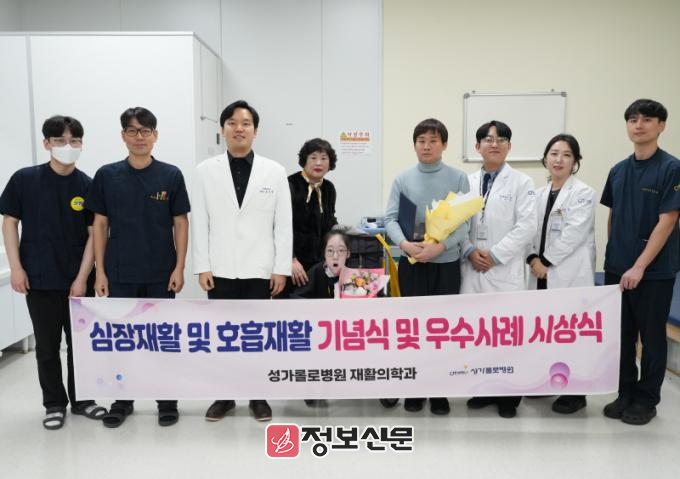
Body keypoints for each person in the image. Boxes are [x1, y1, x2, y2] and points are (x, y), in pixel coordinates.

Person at [86, 107, 190, 428]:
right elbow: (99, 225)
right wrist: (100, 271)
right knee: (123, 341)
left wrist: (179, 267)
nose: (139, 137)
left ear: (155, 135)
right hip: (120, 272)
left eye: (145, 131)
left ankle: (166, 400)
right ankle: (123, 400)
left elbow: (180, 223)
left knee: (161, 339)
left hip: (161, 272)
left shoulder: (170, 175)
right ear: (123, 136)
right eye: (132, 131)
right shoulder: (107, 175)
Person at [0, 115, 106, 429]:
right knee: (47, 347)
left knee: (80, 346)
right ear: (47, 144)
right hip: (39, 277)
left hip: (78, 280)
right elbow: (9, 223)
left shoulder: (88, 185)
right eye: (60, 140)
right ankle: (54, 404)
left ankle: (83, 400)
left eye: (74, 140)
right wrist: (16, 268)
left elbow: (94, 235)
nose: (67, 146)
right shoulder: (25, 180)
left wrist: (82, 278)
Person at [192, 100, 292, 423]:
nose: (239, 128)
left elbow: (283, 225)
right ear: (222, 129)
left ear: (255, 131)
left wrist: (280, 269)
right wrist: (202, 266)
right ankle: (224, 395)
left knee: (256, 336)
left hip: (260, 269)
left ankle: (258, 395)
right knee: (223, 336)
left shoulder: (274, 171)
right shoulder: (205, 171)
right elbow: (200, 222)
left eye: (246, 123)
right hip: (220, 268)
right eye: (232, 123)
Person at [601, 99, 680, 425]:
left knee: (651, 337)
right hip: (617, 268)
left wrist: (639, 266)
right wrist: (616, 260)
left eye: (647, 119)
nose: (639, 125)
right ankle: (625, 392)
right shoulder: (618, 171)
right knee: (620, 336)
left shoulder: (671, 168)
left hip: (654, 272)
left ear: (661, 126)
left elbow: (668, 221)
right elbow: (614, 216)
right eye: (633, 119)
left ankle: (646, 399)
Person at [384, 118, 470, 416]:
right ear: (414, 145)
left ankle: (439, 391)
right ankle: (415, 388)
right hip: (412, 262)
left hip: (446, 264)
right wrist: (404, 245)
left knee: (441, 329)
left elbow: (464, 223)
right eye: (421, 140)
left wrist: (440, 247)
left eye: (433, 141)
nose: (427, 146)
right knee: (412, 329)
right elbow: (390, 219)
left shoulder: (458, 178)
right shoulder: (403, 179)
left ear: (444, 145)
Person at [461, 120, 537, 418]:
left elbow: (527, 226)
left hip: (503, 270)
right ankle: (483, 388)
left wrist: (495, 255)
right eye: (488, 139)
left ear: (509, 146)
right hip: (472, 268)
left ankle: (508, 395)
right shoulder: (465, 181)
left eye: (501, 139)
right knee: (478, 333)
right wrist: (469, 250)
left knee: (506, 335)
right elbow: (456, 224)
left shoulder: (522, 183)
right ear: (477, 146)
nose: (494, 144)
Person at [526, 134, 596, 414]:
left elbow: (574, 234)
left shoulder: (584, 193)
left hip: (568, 273)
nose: (559, 160)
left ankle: (575, 393)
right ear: (545, 158)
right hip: (540, 273)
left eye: (567, 155)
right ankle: (548, 381)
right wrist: (532, 258)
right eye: (554, 153)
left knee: (570, 332)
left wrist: (545, 261)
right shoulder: (538, 194)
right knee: (546, 330)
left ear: (575, 161)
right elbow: (529, 230)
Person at [284, 138, 338, 296]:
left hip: (319, 265)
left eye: (324, 158)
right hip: (293, 265)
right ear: (304, 160)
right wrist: (290, 259)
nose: (318, 163)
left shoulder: (329, 188)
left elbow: (329, 222)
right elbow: (280, 226)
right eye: (313, 157)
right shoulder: (290, 184)